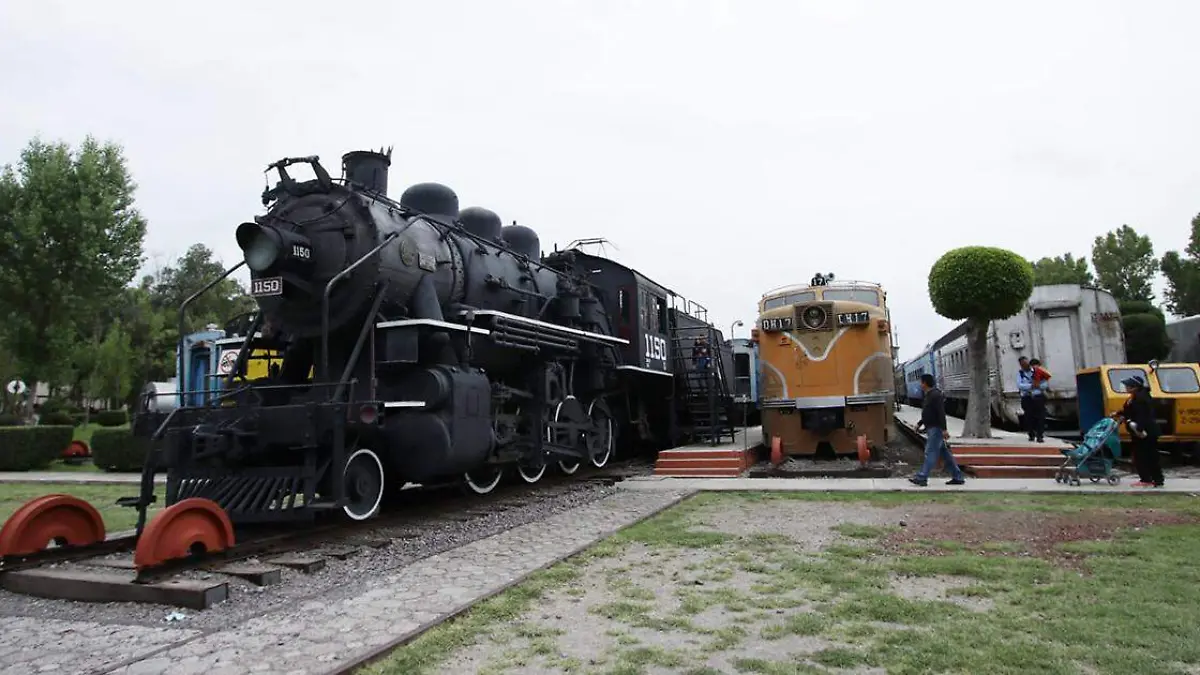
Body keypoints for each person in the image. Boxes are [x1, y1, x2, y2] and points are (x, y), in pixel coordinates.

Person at [909, 373, 965, 486]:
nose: (920, 385)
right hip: (931, 428)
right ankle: (958, 476)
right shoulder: (929, 395)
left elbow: (940, 413)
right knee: (945, 454)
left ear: (925, 383)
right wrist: (919, 423)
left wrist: (944, 429)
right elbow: (928, 413)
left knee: (930, 452)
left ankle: (922, 477)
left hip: (936, 429)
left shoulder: (936, 395)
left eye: (921, 382)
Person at [1117, 375, 1164, 488]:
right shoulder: (1135, 397)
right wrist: (1120, 414)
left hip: (1144, 432)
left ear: (1134, 387)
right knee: (1148, 455)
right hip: (1141, 431)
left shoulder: (1140, 398)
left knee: (1144, 456)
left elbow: (1142, 415)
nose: (1126, 387)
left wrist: (1139, 429)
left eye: (1128, 385)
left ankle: (1147, 479)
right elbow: (1130, 411)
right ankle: (1156, 479)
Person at [1017, 356, 1048, 443]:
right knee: (1029, 417)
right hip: (1027, 398)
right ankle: (1031, 434)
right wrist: (1031, 386)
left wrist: (1037, 386)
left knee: (1041, 417)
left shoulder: (1040, 373)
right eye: (1022, 364)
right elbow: (1020, 385)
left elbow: (1045, 385)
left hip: (1038, 398)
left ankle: (1040, 436)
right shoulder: (1021, 374)